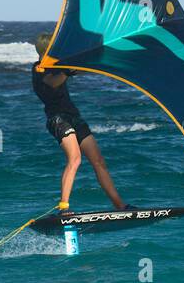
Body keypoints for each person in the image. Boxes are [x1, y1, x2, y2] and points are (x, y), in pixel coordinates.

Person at [32, 32, 127, 213]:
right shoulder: (39, 68)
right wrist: (69, 70)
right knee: (75, 159)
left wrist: (98, 58)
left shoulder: (60, 66)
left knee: (98, 161)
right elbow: (53, 82)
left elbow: (80, 70)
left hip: (74, 117)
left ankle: (120, 206)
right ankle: (64, 207)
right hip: (57, 119)